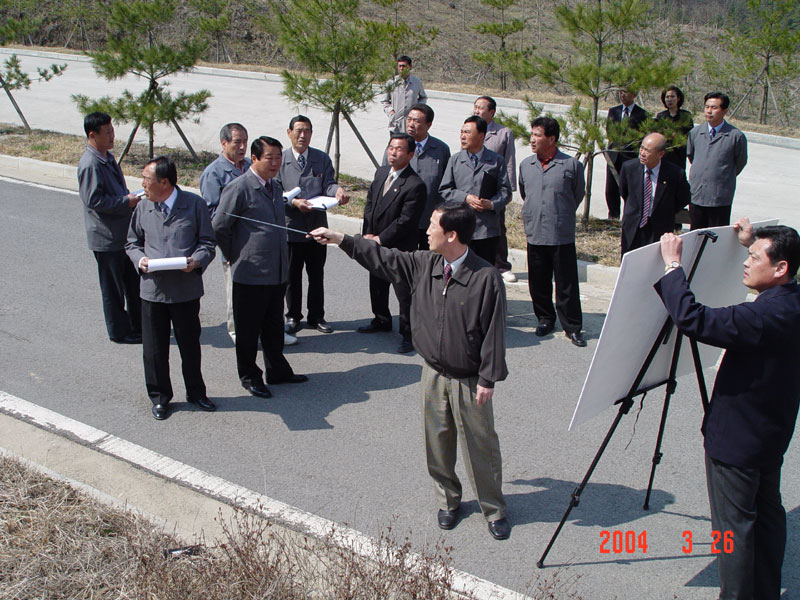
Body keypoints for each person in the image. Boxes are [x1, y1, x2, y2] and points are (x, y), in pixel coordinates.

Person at [310, 202, 511, 540]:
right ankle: (448, 500)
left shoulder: (485, 278)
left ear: (451, 234)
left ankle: (493, 508)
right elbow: (383, 258)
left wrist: (488, 378)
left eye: (433, 225)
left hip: (470, 379)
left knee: (480, 445)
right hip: (432, 374)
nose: (427, 231)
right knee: (437, 442)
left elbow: (494, 332)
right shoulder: (424, 264)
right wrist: (340, 238)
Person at [654, 219, 800, 600]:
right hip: (770, 437)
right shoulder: (791, 303)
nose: (746, 263)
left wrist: (673, 267)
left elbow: (693, 319)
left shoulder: (762, 317)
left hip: (736, 443)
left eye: (753, 257)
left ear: (781, 268)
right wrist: (752, 242)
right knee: (767, 517)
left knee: (733, 531)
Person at [213, 136, 308, 400]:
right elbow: (219, 226)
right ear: (254, 158)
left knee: (273, 326)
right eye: (269, 157)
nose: (275, 162)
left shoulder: (275, 187)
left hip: (276, 270)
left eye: (279, 157)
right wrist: (235, 254)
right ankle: (250, 376)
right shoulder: (239, 187)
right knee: (248, 330)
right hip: (250, 272)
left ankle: (277, 370)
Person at [126, 156, 216, 420]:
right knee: (154, 350)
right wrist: (139, 260)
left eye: (146, 179)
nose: (142, 184)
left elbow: (207, 243)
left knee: (189, 346)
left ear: (164, 183)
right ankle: (160, 397)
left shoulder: (194, 205)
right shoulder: (143, 207)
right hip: (153, 290)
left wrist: (196, 261)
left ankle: (196, 393)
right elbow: (131, 243)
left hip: (185, 290)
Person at [277, 115, 349, 336]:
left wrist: (336, 191)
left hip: (317, 227)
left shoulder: (321, 158)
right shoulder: (279, 160)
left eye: (307, 130)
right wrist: (294, 202)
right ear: (288, 132)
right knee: (292, 275)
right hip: (292, 227)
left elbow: (328, 183)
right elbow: (274, 191)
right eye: (298, 130)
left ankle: (316, 316)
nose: (302, 135)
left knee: (316, 274)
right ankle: (293, 316)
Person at [519, 117, 587, 347]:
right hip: (535, 230)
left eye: (537, 135)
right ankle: (545, 319)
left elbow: (577, 194)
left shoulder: (571, 165)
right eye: (532, 134)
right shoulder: (526, 165)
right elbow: (524, 193)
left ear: (552, 138)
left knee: (566, 283)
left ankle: (573, 327)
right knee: (538, 281)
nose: (532, 139)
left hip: (560, 232)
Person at [358, 133, 427, 354]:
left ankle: (409, 334)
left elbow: (405, 221)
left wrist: (380, 239)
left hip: (399, 247)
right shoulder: (380, 173)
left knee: (403, 292)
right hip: (375, 240)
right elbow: (370, 205)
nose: (393, 152)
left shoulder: (415, 184)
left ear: (410, 154)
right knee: (376, 284)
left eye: (399, 149)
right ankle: (381, 319)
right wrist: (368, 233)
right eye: (391, 148)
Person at [77, 111, 142, 344]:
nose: (112, 136)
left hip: (122, 234)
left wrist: (130, 197)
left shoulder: (108, 157)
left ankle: (137, 325)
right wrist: (127, 202)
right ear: (92, 135)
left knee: (132, 284)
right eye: (107, 133)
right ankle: (119, 331)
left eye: (112, 130)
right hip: (106, 238)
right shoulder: (90, 164)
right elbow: (94, 201)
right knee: (113, 290)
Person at [438, 115, 512, 265]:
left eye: (467, 132)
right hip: (460, 228)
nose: (463, 136)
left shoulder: (496, 161)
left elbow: (506, 192)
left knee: (484, 272)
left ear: (481, 136)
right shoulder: (455, 160)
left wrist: (491, 204)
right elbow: (445, 189)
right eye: (461, 132)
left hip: (486, 230)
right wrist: (465, 198)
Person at [619, 132, 690, 255]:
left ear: (660, 154)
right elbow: (625, 193)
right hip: (633, 227)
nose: (642, 153)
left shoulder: (675, 174)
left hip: (659, 228)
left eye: (647, 150)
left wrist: (665, 211)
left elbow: (683, 198)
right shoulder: (629, 168)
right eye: (641, 148)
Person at [687, 92, 748, 230]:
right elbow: (692, 157)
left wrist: (722, 174)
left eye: (714, 107)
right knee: (696, 235)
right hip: (697, 194)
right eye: (707, 107)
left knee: (716, 237)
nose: (709, 111)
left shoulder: (735, 136)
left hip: (719, 197)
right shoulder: (695, 133)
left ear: (724, 111)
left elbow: (740, 162)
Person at [473, 95, 518, 283]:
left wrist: (508, 189)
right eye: (475, 107)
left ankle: (501, 265)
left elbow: (509, 161)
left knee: (498, 226)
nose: (476, 111)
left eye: (480, 108)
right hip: (474, 186)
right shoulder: (471, 128)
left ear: (491, 112)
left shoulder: (503, 133)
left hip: (495, 188)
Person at [404, 103, 451, 250]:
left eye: (417, 121)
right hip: (403, 218)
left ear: (428, 125)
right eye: (409, 119)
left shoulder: (441, 149)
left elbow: (446, 184)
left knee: (428, 261)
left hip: (429, 218)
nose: (411, 124)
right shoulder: (398, 146)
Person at [605, 89, 649, 220]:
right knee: (611, 189)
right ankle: (613, 216)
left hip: (630, 156)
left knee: (628, 188)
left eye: (626, 92)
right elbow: (609, 131)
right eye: (621, 92)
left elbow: (641, 136)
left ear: (634, 94)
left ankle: (629, 217)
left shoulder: (642, 114)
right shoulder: (614, 111)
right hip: (613, 156)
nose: (622, 95)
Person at [382, 55, 427, 134]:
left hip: (411, 126)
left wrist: (418, 109)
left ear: (410, 67)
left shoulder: (417, 82)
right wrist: (390, 111)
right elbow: (384, 101)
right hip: (396, 124)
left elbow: (423, 97)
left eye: (404, 66)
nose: (401, 68)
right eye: (399, 66)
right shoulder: (391, 82)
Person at [655, 85, 694, 171]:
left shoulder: (685, 115)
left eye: (672, 96)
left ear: (678, 98)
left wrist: (676, 136)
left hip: (679, 154)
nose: (669, 99)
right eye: (667, 97)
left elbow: (690, 136)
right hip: (664, 153)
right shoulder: (661, 116)